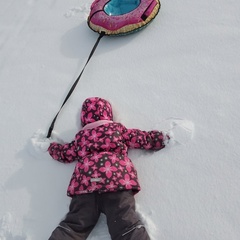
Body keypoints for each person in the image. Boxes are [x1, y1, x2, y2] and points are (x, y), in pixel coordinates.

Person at [35, 97, 172, 240]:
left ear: (83, 119)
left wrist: (51, 148)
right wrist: (161, 138)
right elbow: (141, 138)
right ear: (109, 115)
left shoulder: (81, 138)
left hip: (85, 188)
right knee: (125, 225)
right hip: (116, 184)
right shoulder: (118, 130)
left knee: (74, 225)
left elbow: (65, 154)